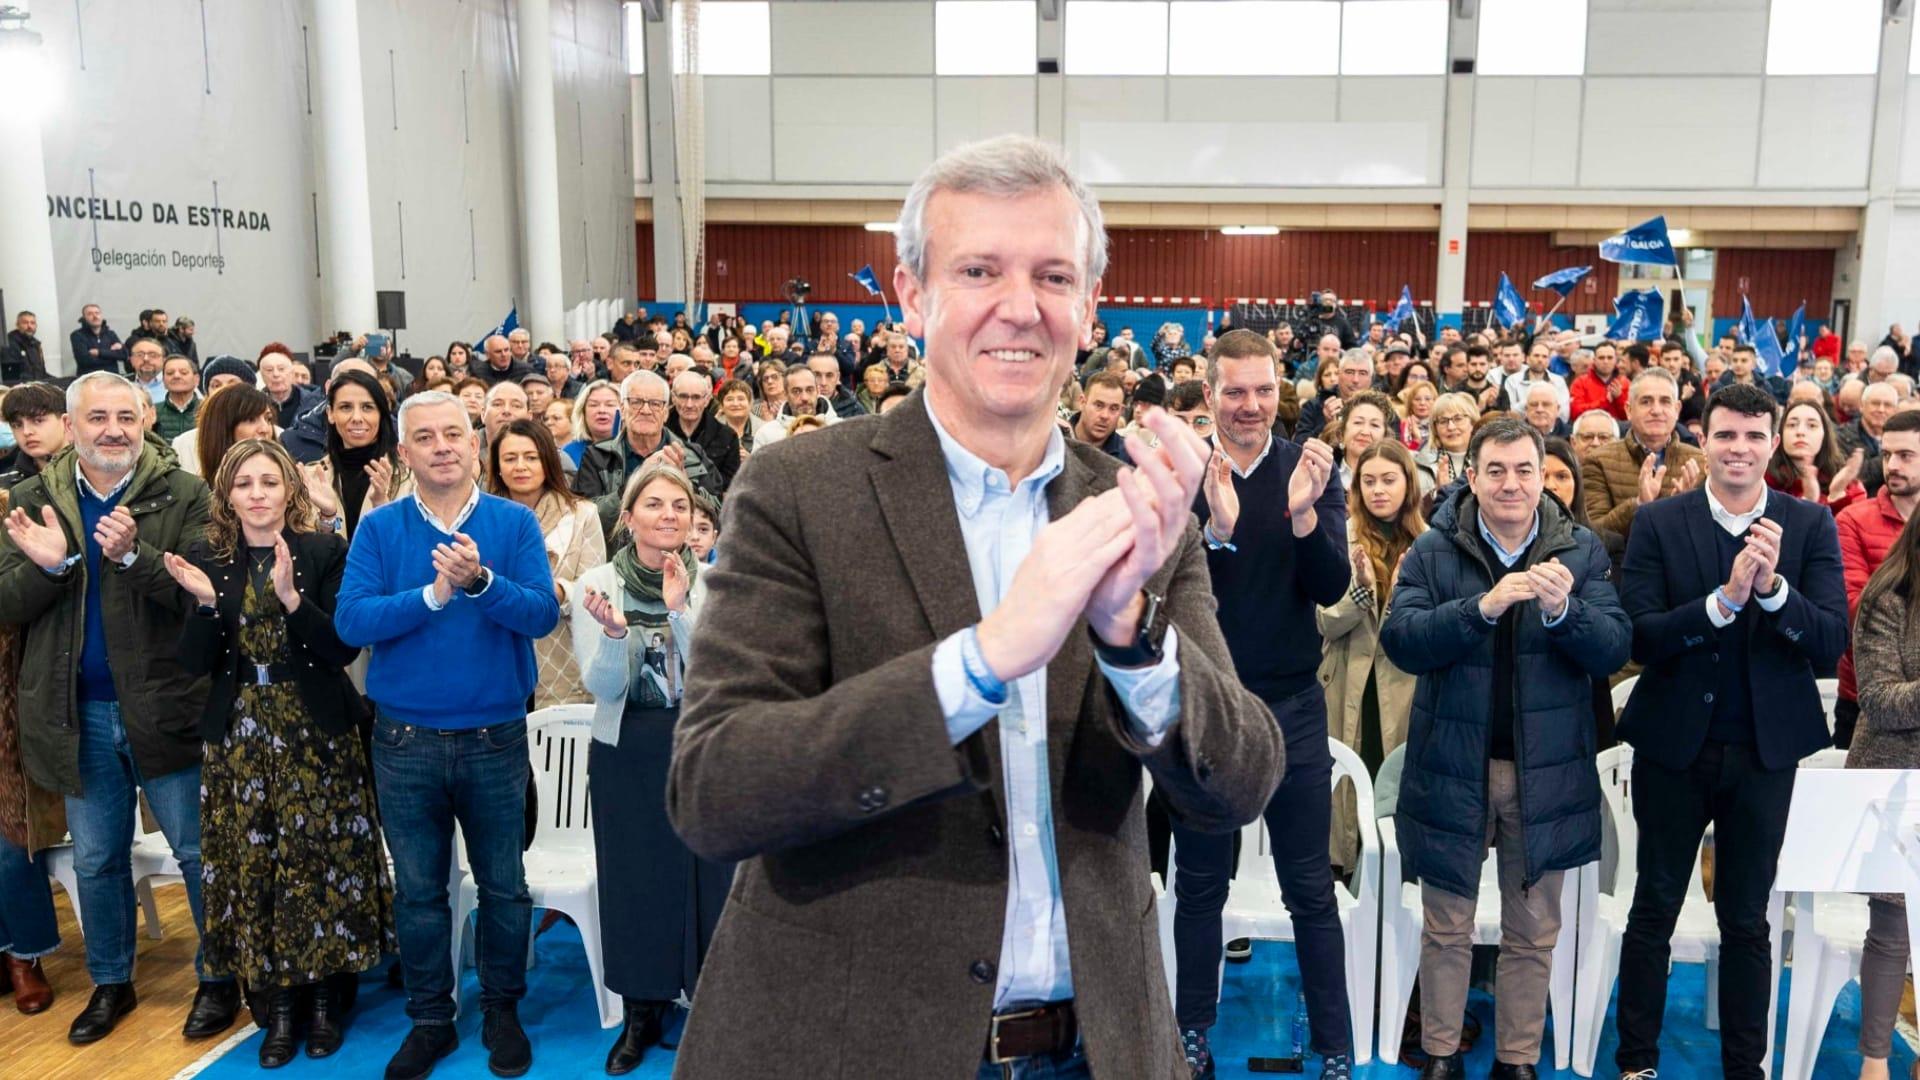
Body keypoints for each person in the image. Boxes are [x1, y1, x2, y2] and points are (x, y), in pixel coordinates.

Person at [665, 135, 1282, 1079]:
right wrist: (979, 663)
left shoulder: (1142, 510)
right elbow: (716, 790)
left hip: (1098, 1047)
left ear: (1087, 309)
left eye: (1052, 276)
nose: (1019, 308)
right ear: (913, 296)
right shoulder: (798, 491)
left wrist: (1132, 641)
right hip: (858, 1045)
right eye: (979, 270)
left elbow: (1237, 783)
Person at [1380, 417, 1631, 1080]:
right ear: (1471, 476)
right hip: (1451, 770)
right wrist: (1479, 610)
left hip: (1543, 775)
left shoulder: (1580, 549)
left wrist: (1564, 614)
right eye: (1496, 470)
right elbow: (1401, 639)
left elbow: (1614, 646)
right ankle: (1439, 1053)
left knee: (1532, 930)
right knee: (1446, 925)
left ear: (1543, 475)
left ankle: (1517, 1059)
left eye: (1525, 469)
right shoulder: (1433, 550)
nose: (1511, 483)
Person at [1613, 383, 1850, 1080]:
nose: (1739, 449)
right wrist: (1720, 604)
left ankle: (1746, 1067)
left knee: (1747, 920)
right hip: (1673, 747)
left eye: (1753, 436)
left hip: (1765, 753)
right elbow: (1641, 636)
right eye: (1725, 435)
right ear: (1703, 440)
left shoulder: (1808, 526)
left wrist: (1775, 592)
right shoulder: (1659, 522)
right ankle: (1637, 1062)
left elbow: (1829, 640)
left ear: (1773, 442)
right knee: (1653, 905)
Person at [0, 371, 238, 1045]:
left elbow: (199, 592)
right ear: (70, 428)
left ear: (145, 424)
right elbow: (4, 603)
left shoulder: (185, 493)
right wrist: (50, 568)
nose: (113, 430)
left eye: (126, 418)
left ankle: (219, 979)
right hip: (76, 712)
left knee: (197, 851)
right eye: (97, 418)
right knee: (100, 858)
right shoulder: (28, 500)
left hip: (168, 705)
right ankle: (111, 982)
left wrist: (133, 554)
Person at [333, 390, 560, 1080]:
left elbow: (543, 616)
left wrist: (482, 582)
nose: (440, 446)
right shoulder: (379, 529)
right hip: (405, 742)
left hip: (494, 737)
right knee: (421, 891)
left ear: (474, 443)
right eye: (424, 437)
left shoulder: (513, 523)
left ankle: (501, 1009)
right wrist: (431, 596)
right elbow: (351, 624)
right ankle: (431, 1020)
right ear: (404, 453)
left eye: (452, 434)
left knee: (504, 885)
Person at [1162, 329, 1352, 1079]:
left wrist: (1303, 516)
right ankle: (1191, 1033)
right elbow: (1161, 587)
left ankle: (1335, 1045)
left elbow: (1332, 587)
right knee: (1201, 883)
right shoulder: (1181, 474)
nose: (1251, 406)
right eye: (1235, 392)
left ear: (1281, 392)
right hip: (1207, 706)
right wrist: (1217, 531)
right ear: (1208, 395)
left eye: (1264, 390)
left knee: (1310, 885)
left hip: (1292, 707)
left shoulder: (1308, 471)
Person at [164, 438, 391, 1068]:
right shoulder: (208, 558)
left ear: (290, 489)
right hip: (239, 736)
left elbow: (344, 647)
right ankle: (278, 1007)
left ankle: (324, 1003)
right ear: (227, 494)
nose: (258, 494)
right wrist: (208, 607)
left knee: (319, 862)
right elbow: (193, 664)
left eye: (270, 482)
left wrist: (293, 598)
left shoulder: (324, 550)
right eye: (245, 484)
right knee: (256, 863)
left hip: (315, 731)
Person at [571, 463, 732, 1073]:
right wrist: (615, 635)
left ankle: (708, 997)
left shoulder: (717, 584)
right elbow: (603, 685)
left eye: (680, 506)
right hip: (628, 747)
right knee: (636, 877)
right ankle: (642, 1007)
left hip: (702, 741)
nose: (670, 514)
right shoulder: (596, 584)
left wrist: (680, 610)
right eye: (655, 504)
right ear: (628, 516)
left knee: (709, 873)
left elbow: (715, 675)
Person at [1317, 439, 1422, 872]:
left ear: (1408, 484)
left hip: (1405, 688)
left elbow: (1431, 629)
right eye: (1369, 481)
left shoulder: (1428, 545)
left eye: (1389, 480)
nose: (1379, 490)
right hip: (1349, 684)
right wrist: (1360, 593)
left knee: (1395, 792)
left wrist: (1399, 597)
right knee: (1347, 794)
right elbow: (1324, 622)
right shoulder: (1339, 538)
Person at [1842, 505, 1920, 1080]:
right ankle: (1876, 1061)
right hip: (1893, 780)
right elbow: (1880, 699)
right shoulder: (1887, 597)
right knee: (1892, 929)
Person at [488, 418, 603, 710]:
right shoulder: (483, 517)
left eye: (531, 457)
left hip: (561, 659)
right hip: (496, 660)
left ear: (548, 462)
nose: (520, 466)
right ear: (498, 466)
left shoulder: (582, 515)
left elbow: (596, 590)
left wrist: (558, 591)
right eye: (510, 458)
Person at [1832, 410, 1920, 749]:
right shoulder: (1853, 520)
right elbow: (1855, 610)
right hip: (1864, 701)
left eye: (1905, 455)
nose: (1893, 465)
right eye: (1886, 455)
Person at [574, 371, 722, 538]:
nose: (645, 410)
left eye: (655, 403)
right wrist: (637, 479)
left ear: (666, 412)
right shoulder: (597, 456)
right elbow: (584, 519)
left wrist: (686, 485)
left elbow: (717, 514)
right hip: (615, 557)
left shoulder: (692, 455)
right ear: (622, 409)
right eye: (636, 402)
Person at [1582, 368, 1705, 540]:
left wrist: (1685, 507)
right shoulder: (1597, 461)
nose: (1656, 410)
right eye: (1646, 402)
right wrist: (1639, 504)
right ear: (1629, 410)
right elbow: (1593, 533)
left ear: (1677, 410)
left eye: (1665, 402)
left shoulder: (1700, 461)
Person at [308, 369, 403, 540]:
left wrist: (382, 506)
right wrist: (327, 519)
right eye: (346, 407)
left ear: (381, 414)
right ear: (330, 414)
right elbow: (307, 553)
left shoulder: (408, 478)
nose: (357, 417)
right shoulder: (312, 478)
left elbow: (410, 548)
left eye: (367, 407)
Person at [1766, 399, 1867, 514]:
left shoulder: (1848, 484)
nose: (1800, 432)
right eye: (1792, 425)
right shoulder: (1762, 481)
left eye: (1812, 425)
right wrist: (1807, 501)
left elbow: (1852, 527)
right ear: (1780, 435)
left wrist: (1837, 495)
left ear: (1824, 436)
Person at [665, 370, 742, 487]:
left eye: (696, 397)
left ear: (707, 400)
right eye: (683, 396)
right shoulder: (659, 431)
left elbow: (730, 485)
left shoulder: (727, 436)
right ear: (673, 397)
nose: (689, 404)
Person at [186, 384, 279, 480]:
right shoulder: (198, 492)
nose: (265, 429)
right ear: (223, 428)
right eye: (251, 419)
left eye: (268, 419)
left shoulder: (289, 485)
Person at [1, 382, 70, 492]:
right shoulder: (3, 487)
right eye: (17, 425)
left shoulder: (94, 474)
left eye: (38, 420)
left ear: (66, 421)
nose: (26, 432)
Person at [1296, 344, 1372, 441]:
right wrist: (1327, 426)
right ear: (1339, 375)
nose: (1355, 380)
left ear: (1371, 378)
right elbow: (1298, 447)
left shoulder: (1383, 410)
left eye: (1362, 373)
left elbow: (1393, 450)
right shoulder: (1313, 407)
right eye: (1349, 372)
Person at [1414, 393, 1478, 495]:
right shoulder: (1422, 465)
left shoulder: (1485, 461)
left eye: (1458, 419)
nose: (1451, 427)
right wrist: (1437, 494)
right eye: (1443, 421)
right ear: (1435, 429)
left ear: (1473, 422)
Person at [1070, 372, 1131, 462]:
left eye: (1114, 409)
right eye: (1099, 405)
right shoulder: (1053, 442)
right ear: (1082, 403)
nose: (1105, 416)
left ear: (1121, 411)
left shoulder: (1129, 457)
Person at [567, 380, 621, 466]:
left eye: (610, 405)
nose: (602, 410)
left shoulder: (636, 451)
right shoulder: (568, 454)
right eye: (593, 405)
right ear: (583, 412)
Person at [154, 354, 202, 441]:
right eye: (170, 373)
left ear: (196, 380)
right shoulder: (154, 411)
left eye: (183, 372)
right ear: (163, 381)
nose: (176, 376)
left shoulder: (208, 410)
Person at [70, 305, 125, 376]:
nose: (95, 316)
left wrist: (99, 352)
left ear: (101, 316)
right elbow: (84, 361)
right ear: (84, 318)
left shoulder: (111, 334)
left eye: (97, 313)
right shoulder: (77, 335)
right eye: (90, 314)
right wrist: (112, 354)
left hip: (112, 378)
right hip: (89, 379)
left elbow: (124, 355)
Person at [3, 312, 47, 384]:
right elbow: (11, 377)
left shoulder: (36, 345)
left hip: (37, 387)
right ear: (17, 325)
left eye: (32, 323)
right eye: (25, 323)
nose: (29, 326)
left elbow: (42, 374)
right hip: (20, 390)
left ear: (36, 326)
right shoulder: (9, 344)